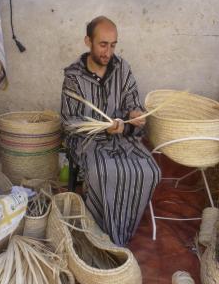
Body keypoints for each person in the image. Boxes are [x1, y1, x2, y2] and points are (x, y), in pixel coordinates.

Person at [61, 16, 160, 246]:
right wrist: (103, 128)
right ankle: (102, 231)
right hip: (89, 141)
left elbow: (132, 104)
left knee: (150, 171)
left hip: (123, 137)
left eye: (113, 45)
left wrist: (135, 116)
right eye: (103, 44)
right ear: (88, 41)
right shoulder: (73, 76)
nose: (108, 52)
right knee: (103, 171)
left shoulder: (122, 68)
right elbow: (68, 121)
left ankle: (123, 226)